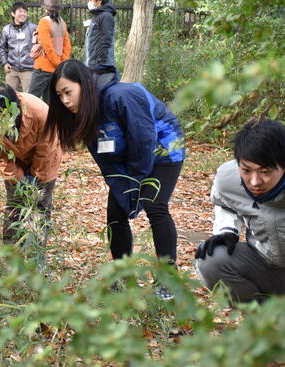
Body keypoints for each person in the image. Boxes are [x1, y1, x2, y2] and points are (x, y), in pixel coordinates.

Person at [44, 59, 185, 299]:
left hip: (163, 149)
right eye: (60, 95)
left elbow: (143, 141)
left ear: (85, 84)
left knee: (155, 206)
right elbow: (103, 156)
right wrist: (119, 185)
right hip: (130, 158)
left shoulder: (121, 96)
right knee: (115, 215)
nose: (65, 101)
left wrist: (134, 185)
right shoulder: (83, 112)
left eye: (68, 92)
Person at [195, 119, 285, 303]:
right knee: (212, 261)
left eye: (265, 172)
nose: (254, 181)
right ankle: (265, 321)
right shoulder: (229, 179)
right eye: (246, 170)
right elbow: (225, 203)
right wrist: (227, 230)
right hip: (266, 265)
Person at [0, 83, 63, 269]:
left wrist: (35, 178)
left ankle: (37, 258)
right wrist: (18, 179)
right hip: (15, 161)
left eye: (4, 117)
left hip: (45, 161)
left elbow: (46, 150)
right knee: (15, 206)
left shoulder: (40, 112)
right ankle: (11, 257)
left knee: (40, 207)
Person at [27, 0, 71, 101]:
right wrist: (61, 63)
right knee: (49, 101)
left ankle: (24, 117)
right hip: (55, 69)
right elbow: (67, 45)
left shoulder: (44, 22)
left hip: (43, 67)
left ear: (45, 8)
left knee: (31, 99)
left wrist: (57, 64)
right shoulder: (62, 22)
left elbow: (48, 47)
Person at [0, 2, 37, 93]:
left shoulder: (33, 28)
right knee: (9, 97)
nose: (23, 14)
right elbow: (2, 47)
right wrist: (5, 63)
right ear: (13, 13)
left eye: (25, 12)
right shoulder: (6, 29)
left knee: (29, 98)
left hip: (29, 70)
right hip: (12, 69)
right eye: (20, 11)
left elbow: (40, 46)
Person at [84, 0, 116, 69]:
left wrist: (102, 65)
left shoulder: (106, 16)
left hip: (99, 64)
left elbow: (106, 41)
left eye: (90, 0)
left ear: (99, 1)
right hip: (92, 61)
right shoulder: (97, 15)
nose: (89, 2)